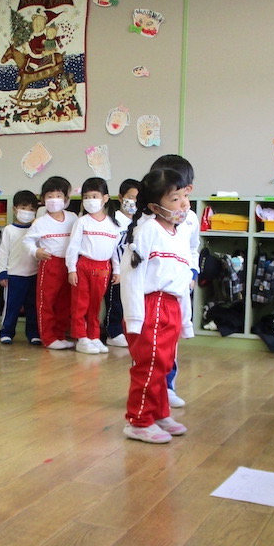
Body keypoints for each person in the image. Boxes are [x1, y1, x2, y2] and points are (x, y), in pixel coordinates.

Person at [120, 169, 195, 444]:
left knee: (164, 364)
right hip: (150, 305)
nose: (183, 204)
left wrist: (185, 320)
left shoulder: (180, 232)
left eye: (184, 196)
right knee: (149, 364)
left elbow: (183, 276)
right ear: (154, 206)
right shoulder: (148, 230)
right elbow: (131, 276)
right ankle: (138, 420)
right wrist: (135, 318)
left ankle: (159, 412)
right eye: (175, 199)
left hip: (171, 305)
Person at [150, 155, 200, 409]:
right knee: (153, 345)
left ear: (187, 189)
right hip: (155, 291)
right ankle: (153, 386)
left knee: (171, 342)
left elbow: (193, 248)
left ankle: (168, 385)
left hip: (179, 287)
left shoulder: (190, 218)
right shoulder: (149, 223)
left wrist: (192, 272)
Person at [66, 177, 120, 354]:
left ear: (105, 198)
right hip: (84, 266)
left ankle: (94, 336)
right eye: (86, 197)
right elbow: (73, 246)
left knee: (96, 305)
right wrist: (72, 269)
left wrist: (117, 270)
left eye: (94, 196)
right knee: (80, 303)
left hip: (103, 268)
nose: (90, 201)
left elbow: (115, 251)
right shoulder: (82, 222)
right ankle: (81, 337)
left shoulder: (113, 225)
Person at [23, 176, 77, 349]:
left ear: (66, 199)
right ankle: (48, 337)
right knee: (46, 301)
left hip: (69, 264)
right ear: (43, 199)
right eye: (50, 196)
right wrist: (36, 251)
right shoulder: (40, 222)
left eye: (58, 195)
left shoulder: (73, 218)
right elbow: (27, 241)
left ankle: (60, 335)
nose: (54, 199)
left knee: (65, 302)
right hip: (50, 264)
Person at [0, 189, 41, 345]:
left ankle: (33, 333)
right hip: (14, 275)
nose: (27, 212)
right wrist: (2, 273)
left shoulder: (36, 229)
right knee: (12, 307)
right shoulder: (9, 230)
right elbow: (3, 252)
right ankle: (6, 332)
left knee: (32, 307)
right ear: (15, 209)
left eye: (31, 209)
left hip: (33, 275)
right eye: (23, 208)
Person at [103, 178, 140, 348]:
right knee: (114, 301)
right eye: (130, 197)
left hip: (132, 268)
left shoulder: (140, 221)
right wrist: (116, 269)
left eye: (137, 199)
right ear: (120, 198)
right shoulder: (114, 220)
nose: (133, 202)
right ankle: (113, 332)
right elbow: (112, 247)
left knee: (129, 300)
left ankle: (127, 331)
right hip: (115, 268)